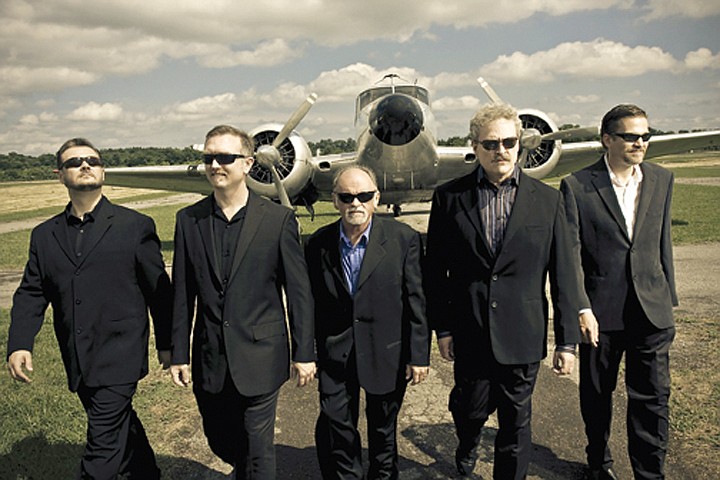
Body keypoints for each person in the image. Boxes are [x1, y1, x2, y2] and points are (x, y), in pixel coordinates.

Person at [424, 103, 581, 479]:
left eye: (509, 142)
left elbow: (564, 273)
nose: (502, 151)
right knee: (469, 410)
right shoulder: (449, 198)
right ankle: (467, 440)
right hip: (470, 329)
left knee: (515, 424)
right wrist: (443, 328)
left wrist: (566, 342)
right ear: (474, 147)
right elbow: (435, 271)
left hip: (523, 333)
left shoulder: (549, 200)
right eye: (491, 143)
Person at [6, 138, 172, 479]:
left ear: (102, 170)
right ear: (59, 175)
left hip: (120, 353)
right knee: (117, 423)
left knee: (101, 449)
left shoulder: (135, 226)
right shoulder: (43, 235)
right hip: (77, 355)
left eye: (92, 160)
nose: (85, 165)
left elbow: (160, 292)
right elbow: (32, 293)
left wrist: (169, 345)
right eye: (74, 162)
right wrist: (21, 342)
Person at [169, 125, 316, 479]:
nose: (215, 165)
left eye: (225, 158)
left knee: (259, 447)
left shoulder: (279, 220)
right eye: (209, 158)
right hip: (211, 357)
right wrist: (178, 354)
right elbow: (182, 291)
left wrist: (304, 352)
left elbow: (298, 292)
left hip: (262, 354)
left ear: (248, 164)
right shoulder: (188, 220)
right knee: (221, 439)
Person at [560, 104, 677, 480]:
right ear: (607, 140)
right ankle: (598, 460)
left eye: (645, 135)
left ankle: (650, 473)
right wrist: (580, 307)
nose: (640, 142)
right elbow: (571, 254)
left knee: (653, 399)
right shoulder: (576, 185)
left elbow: (662, 243)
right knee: (597, 395)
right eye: (630, 136)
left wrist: (667, 297)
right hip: (600, 313)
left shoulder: (662, 179)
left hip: (651, 311)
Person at [305, 165, 430, 479]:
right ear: (335, 200)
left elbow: (416, 301)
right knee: (338, 427)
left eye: (362, 195)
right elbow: (309, 304)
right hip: (336, 354)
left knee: (382, 430)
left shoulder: (405, 239)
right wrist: (307, 352)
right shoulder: (318, 244)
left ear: (376, 197)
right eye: (346, 196)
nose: (355, 203)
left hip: (386, 351)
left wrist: (418, 355)